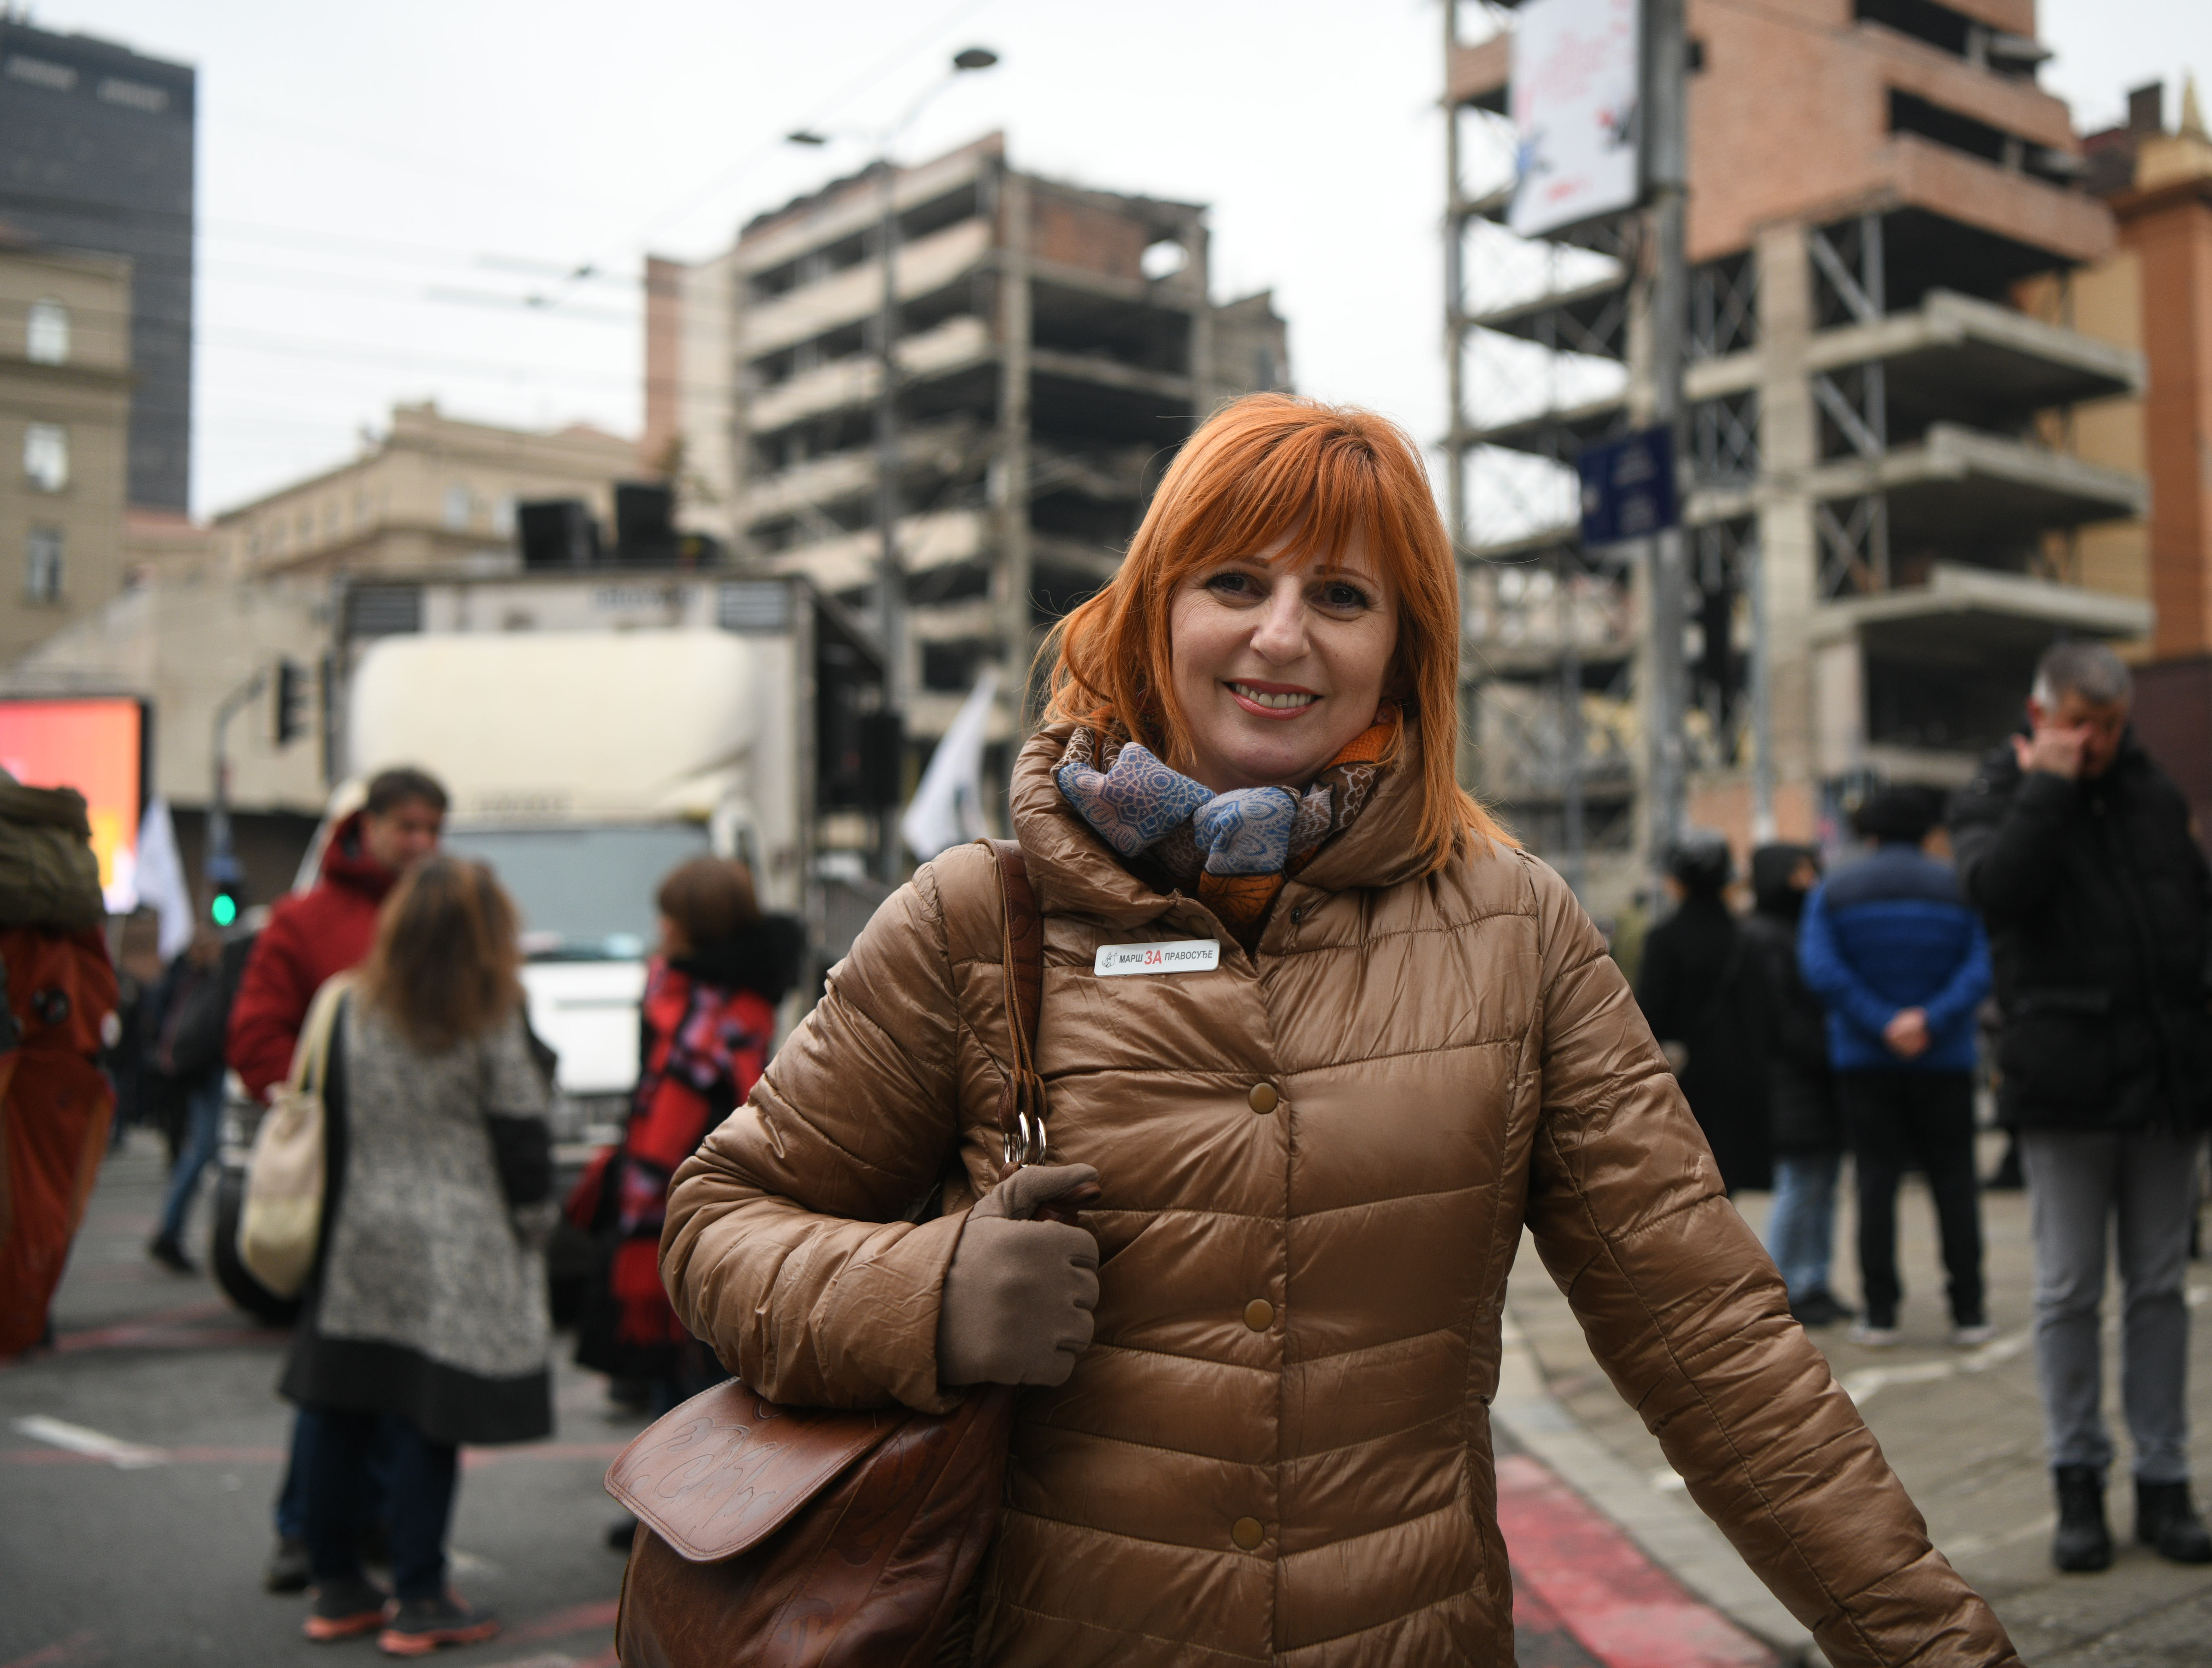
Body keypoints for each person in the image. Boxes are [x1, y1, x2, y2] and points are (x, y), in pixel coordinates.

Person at [654, 396, 2020, 1666]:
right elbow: (717, 1219)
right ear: (1155, 610)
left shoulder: (1516, 927)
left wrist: (1937, 1647)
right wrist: (931, 1294)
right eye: (1235, 581)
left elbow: (1711, 1342)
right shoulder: (976, 918)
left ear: (1401, 651)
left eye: (1342, 595)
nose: (1283, 633)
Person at [1950, 640, 2212, 1575]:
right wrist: (2050, 786)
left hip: (2161, 1078)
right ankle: (2077, 1479)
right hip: (2064, 1081)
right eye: (2078, 723)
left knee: (2158, 1286)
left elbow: (2201, 913)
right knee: (2068, 1287)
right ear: (2042, 717)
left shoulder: (2153, 793)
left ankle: (2167, 1479)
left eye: (2108, 725)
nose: (2096, 741)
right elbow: (1996, 892)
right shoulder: (1999, 787)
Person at [283, 858, 553, 1651]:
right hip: (457, 1242)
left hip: (363, 1233)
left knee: (344, 1411)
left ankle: (335, 1587)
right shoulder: (491, 1013)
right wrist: (537, 1227)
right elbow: (521, 1136)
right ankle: (421, 1596)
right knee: (428, 1423)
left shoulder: (350, 1006)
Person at [227, 767, 447, 1593]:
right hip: (343, 1183)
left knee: (399, 1371)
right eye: (408, 827)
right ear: (370, 826)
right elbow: (255, 1034)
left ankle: (375, 1524)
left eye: (434, 827)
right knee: (337, 1374)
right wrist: (316, 1108)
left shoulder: (444, 918)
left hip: (425, 1182)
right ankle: (306, 1532)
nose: (421, 843)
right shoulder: (307, 919)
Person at [572, 855, 801, 1548]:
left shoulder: (707, 1009)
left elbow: (705, 1104)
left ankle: (686, 1510)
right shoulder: (706, 998)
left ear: (691, 926)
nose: (658, 928)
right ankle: (664, 1503)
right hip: (671, 1191)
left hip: (696, 1195)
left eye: (667, 916)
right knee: (679, 1364)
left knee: (698, 1366)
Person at [1800, 787, 1994, 1349]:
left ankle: (1880, 1311)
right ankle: (1969, 1308)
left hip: (1865, 1057)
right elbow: (1982, 965)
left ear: (1871, 834)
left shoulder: (1834, 889)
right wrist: (1929, 1020)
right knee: (1955, 1181)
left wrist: (1882, 1022)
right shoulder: (1959, 885)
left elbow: (1821, 968)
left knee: (1876, 1181)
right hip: (1946, 1056)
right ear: (1927, 832)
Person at [0, 772, 120, 1358]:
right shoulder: (58, 893)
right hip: (57, 1064)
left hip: (33, 1058)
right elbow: (96, 991)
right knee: (37, 1209)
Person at [1635, 832, 1774, 1194]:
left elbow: (1648, 1016)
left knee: (1688, 1187)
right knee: (1730, 1189)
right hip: (1743, 1081)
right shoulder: (1749, 939)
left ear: (1677, 882)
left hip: (1686, 1083)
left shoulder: (1664, 939)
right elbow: (1767, 1014)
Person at [1744, 842, 1847, 1326]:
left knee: (1822, 1181)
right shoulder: (1767, 936)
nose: (1809, 881)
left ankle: (1813, 1281)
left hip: (1814, 1078)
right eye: (1800, 871)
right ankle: (1783, 1285)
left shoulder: (1799, 928)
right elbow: (1782, 1016)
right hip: (1792, 1080)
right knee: (1801, 1183)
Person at [145, 930, 242, 1271]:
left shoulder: (189, 979)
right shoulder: (202, 979)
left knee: (205, 1151)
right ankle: (171, 1232)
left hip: (194, 1070)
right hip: (206, 1071)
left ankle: (186, 1232)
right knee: (204, 1151)